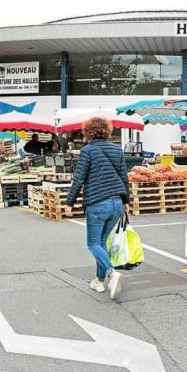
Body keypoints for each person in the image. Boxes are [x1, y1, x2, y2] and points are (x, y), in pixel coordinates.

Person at [65, 117, 128, 300]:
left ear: (88, 132)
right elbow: (124, 177)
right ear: (107, 131)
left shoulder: (88, 151)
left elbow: (79, 179)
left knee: (93, 243)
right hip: (116, 204)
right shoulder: (117, 150)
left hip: (97, 204)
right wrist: (126, 200)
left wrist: (69, 203)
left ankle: (111, 274)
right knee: (101, 243)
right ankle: (99, 281)